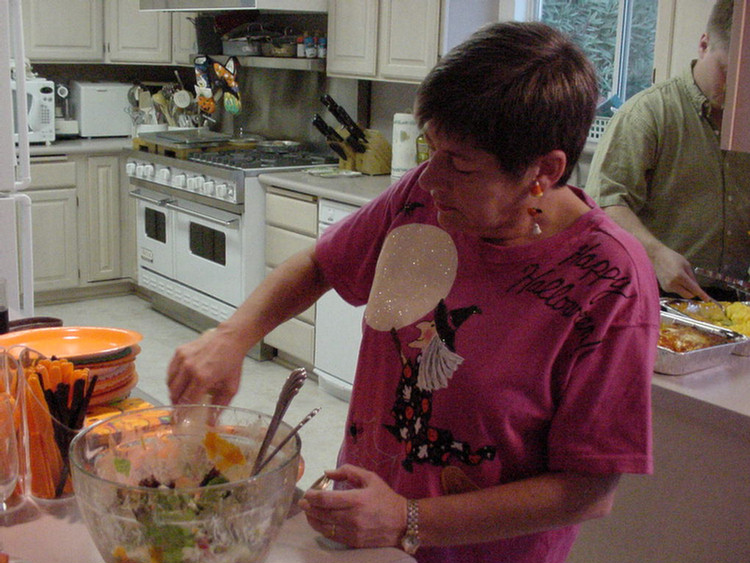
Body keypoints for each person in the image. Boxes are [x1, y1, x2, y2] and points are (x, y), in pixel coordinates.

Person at [167, 22, 660, 563]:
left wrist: (408, 519)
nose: (429, 178)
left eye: (460, 164)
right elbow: (320, 265)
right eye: (431, 149)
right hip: (360, 534)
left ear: (544, 171)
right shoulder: (422, 200)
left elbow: (588, 490)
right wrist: (234, 336)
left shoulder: (609, 282)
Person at [585, 0, 750, 301]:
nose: (739, 87)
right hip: (659, 295)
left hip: (737, 303)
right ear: (704, 44)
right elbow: (605, 204)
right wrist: (655, 252)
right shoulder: (648, 113)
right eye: (728, 71)